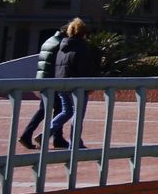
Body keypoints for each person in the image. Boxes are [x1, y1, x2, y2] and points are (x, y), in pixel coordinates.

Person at [46, 18, 100, 150]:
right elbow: (84, 69)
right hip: (77, 86)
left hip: (61, 83)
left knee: (66, 111)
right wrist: (90, 85)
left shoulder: (62, 47)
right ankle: (75, 142)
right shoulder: (82, 48)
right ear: (83, 33)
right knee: (78, 114)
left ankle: (46, 133)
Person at [19, 26, 66, 150]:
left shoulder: (49, 41)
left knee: (46, 109)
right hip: (52, 80)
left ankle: (30, 135)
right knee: (58, 109)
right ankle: (55, 138)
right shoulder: (60, 44)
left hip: (43, 79)